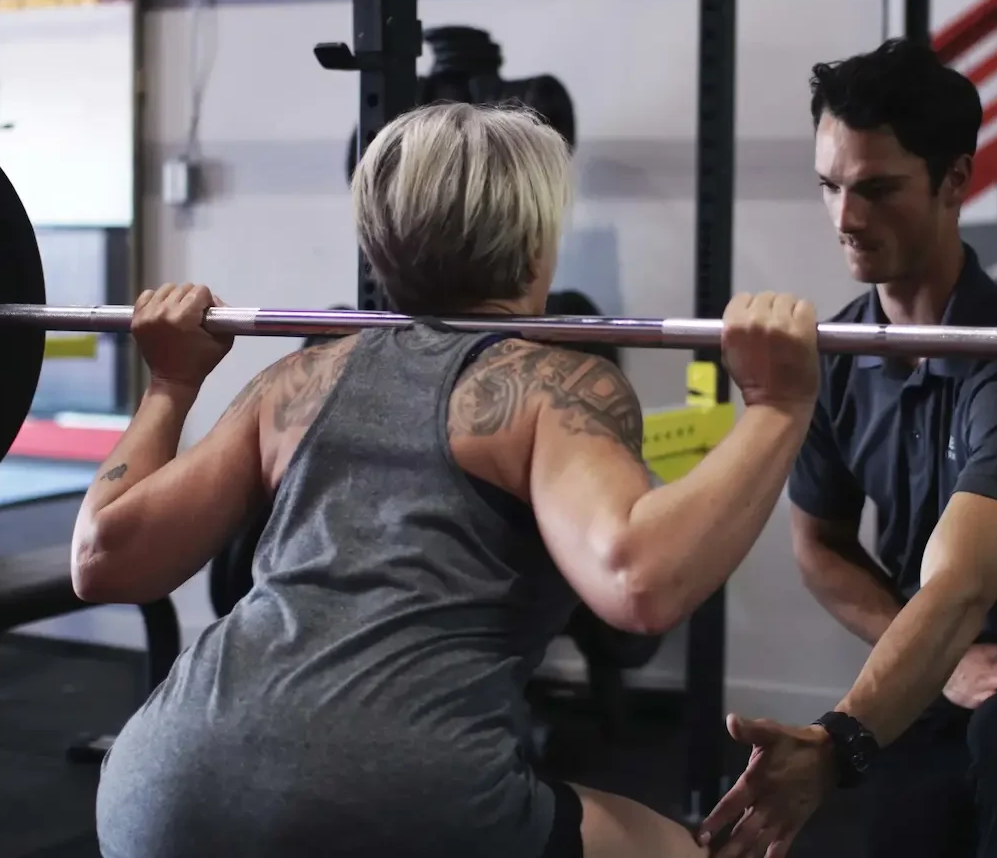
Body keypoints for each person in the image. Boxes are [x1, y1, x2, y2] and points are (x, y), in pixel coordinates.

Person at [76, 101, 823, 858]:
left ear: (378, 241)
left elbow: (104, 559)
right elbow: (639, 584)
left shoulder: (293, 381)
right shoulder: (549, 386)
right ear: (537, 243)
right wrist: (777, 405)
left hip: (162, 783)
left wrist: (169, 384)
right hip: (399, 794)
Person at [698, 39, 997, 858]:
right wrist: (947, 665)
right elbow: (820, 549)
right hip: (940, 672)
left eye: (877, 189)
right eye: (830, 187)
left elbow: (961, 585)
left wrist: (841, 741)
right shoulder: (832, 355)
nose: (846, 218)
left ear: (954, 182)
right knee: (910, 824)